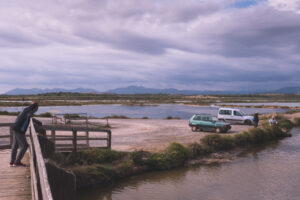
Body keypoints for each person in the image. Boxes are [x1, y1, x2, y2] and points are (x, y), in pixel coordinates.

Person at [10, 102, 39, 167]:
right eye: (37, 107)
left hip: (15, 127)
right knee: (25, 146)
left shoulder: (26, 109)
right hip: (19, 130)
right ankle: (17, 162)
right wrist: (34, 119)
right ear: (35, 107)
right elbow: (28, 116)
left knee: (15, 146)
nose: (37, 109)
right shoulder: (31, 111)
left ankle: (12, 162)